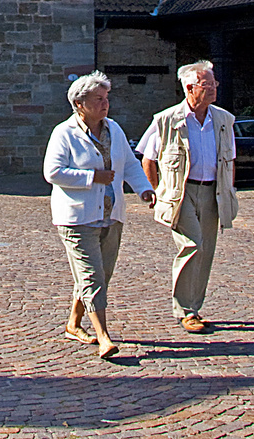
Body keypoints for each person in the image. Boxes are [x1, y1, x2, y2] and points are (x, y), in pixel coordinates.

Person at [45, 72, 156, 359]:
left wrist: (144, 189)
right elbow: (53, 172)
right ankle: (104, 336)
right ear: (79, 104)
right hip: (76, 218)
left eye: (106, 98)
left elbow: (129, 164)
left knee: (100, 276)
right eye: (99, 99)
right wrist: (92, 177)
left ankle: (73, 323)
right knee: (92, 276)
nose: (105, 104)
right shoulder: (64, 133)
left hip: (112, 214)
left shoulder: (114, 130)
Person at [139, 60, 238, 333]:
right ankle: (185, 310)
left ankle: (195, 307)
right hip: (181, 193)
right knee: (193, 245)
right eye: (207, 84)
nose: (214, 88)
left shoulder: (223, 120)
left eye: (214, 83)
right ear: (190, 88)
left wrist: (229, 191)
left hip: (212, 192)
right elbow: (148, 159)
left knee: (206, 251)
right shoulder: (167, 120)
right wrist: (158, 192)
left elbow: (229, 160)